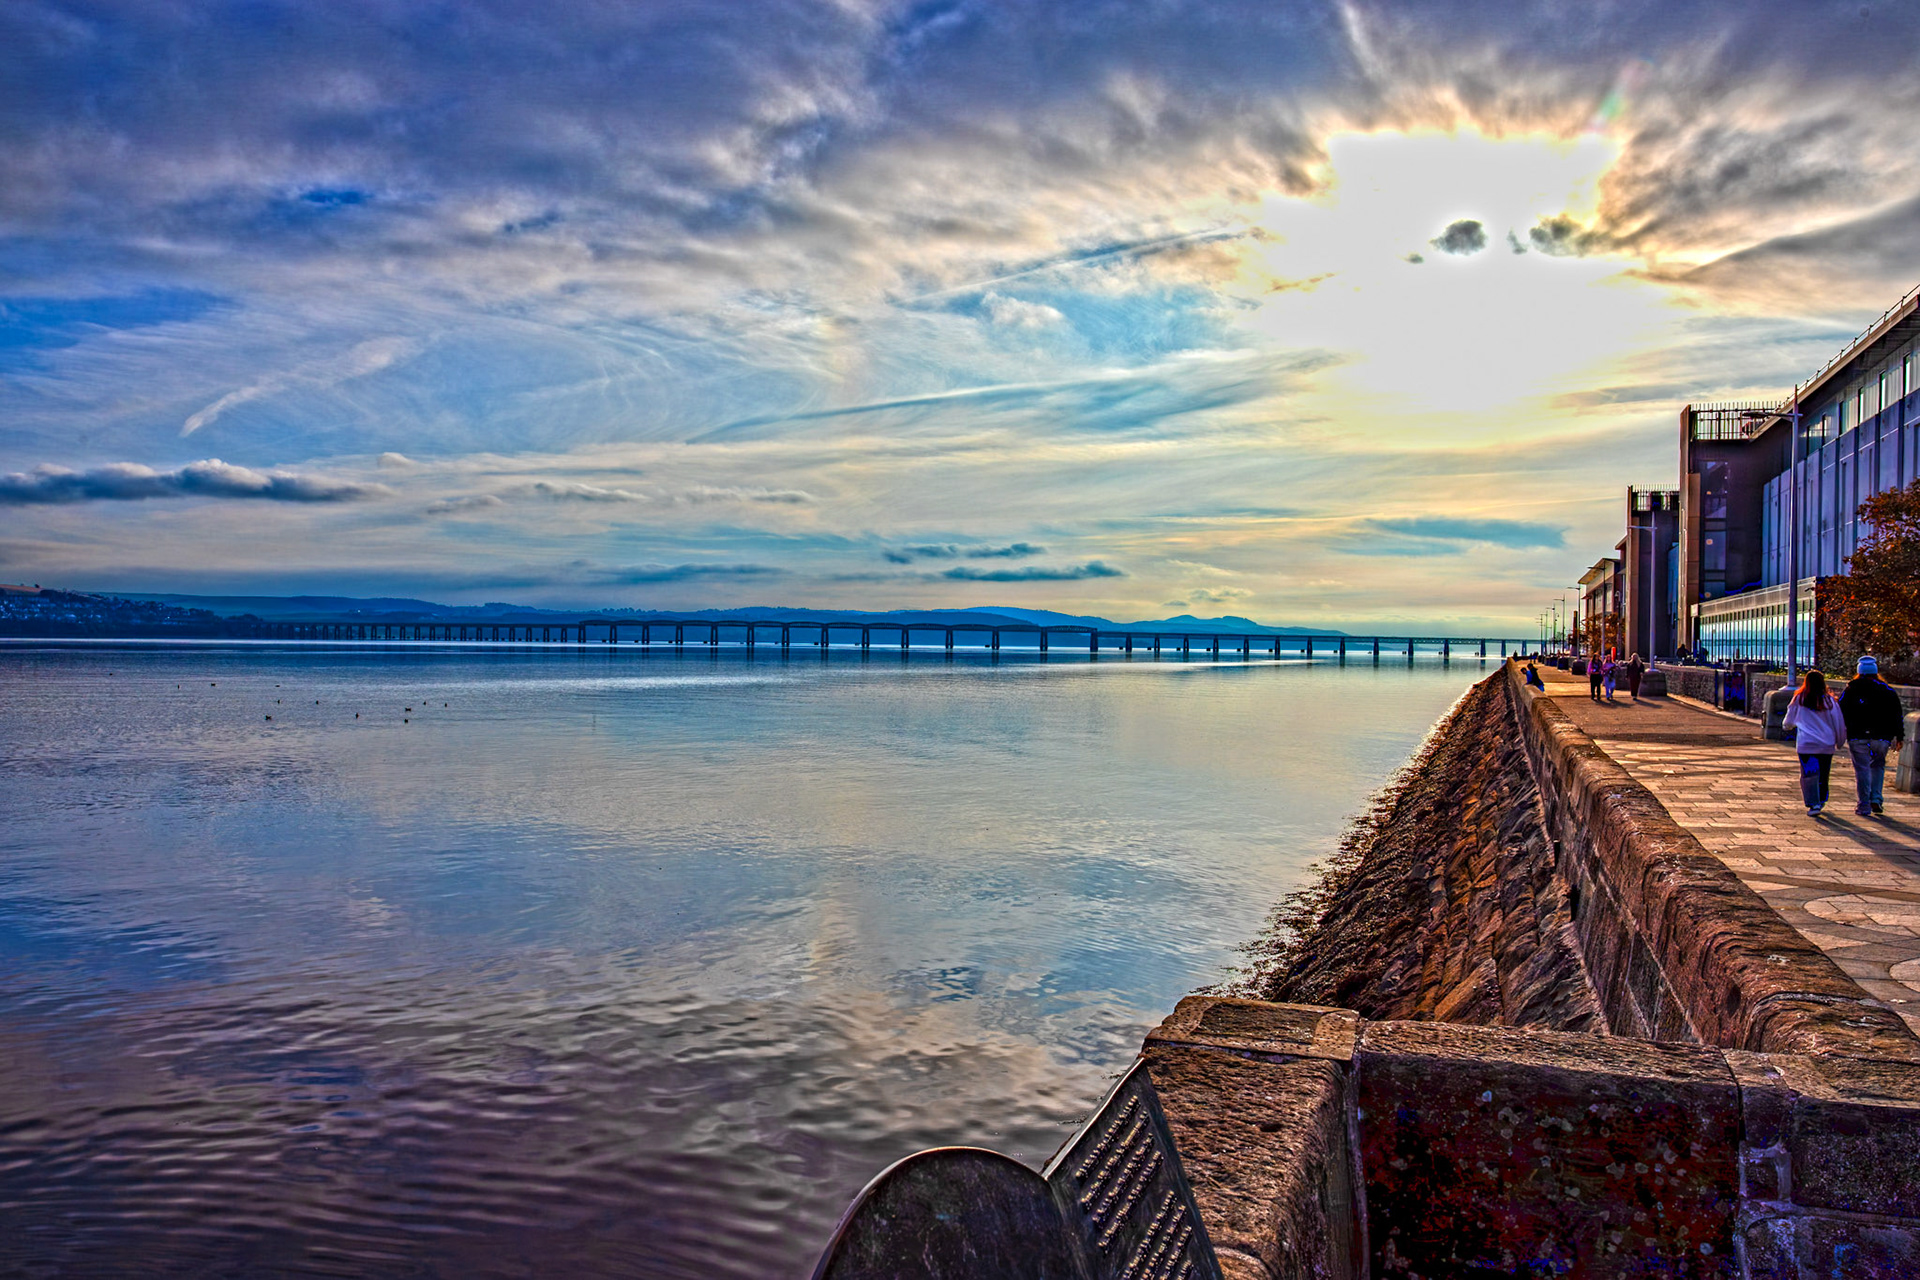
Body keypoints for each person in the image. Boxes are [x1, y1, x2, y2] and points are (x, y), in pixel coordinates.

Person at [1840, 656, 1907, 817]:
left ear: (1859, 672)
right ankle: (1876, 798)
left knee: (1862, 770)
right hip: (1881, 737)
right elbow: (1897, 715)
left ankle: (1863, 804)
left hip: (1857, 736)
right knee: (1878, 767)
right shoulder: (1888, 691)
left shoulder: (1850, 690)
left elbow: (1841, 713)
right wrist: (1899, 736)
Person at [1782, 669, 1849, 817]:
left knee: (1809, 774)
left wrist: (1788, 727)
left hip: (1807, 744)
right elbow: (1838, 722)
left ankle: (1813, 803)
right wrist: (1840, 741)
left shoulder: (1799, 699)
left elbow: (1788, 721)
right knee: (1823, 774)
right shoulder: (1829, 701)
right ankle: (1822, 799)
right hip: (1826, 744)